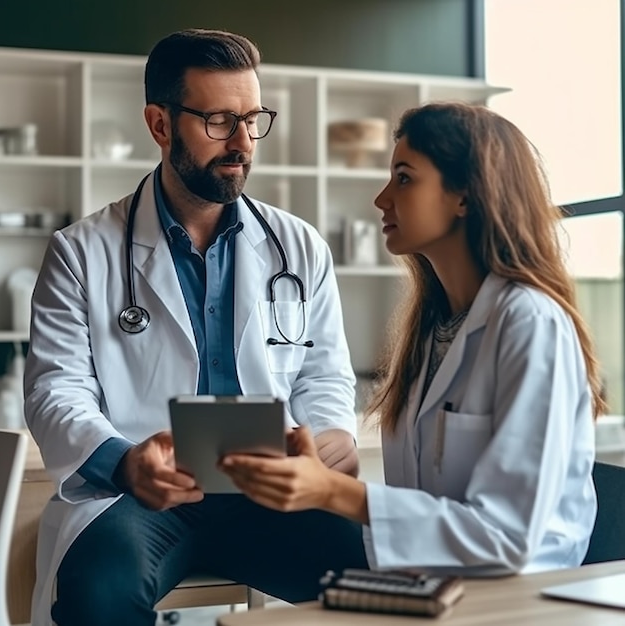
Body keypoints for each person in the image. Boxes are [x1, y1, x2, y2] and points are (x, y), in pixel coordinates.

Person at [24, 29, 368, 626]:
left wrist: (331, 434)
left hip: (271, 488)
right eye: (217, 121)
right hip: (145, 495)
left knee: (392, 576)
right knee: (97, 595)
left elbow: (324, 374)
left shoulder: (299, 246)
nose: (241, 143)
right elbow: (55, 391)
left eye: (252, 119)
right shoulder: (81, 252)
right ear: (160, 125)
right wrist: (126, 462)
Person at [221, 101, 603, 577]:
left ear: (464, 195)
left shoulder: (530, 323)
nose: (382, 199)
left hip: (518, 600)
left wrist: (331, 491)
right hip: (435, 586)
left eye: (404, 177)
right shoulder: (433, 327)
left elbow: (509, 538)